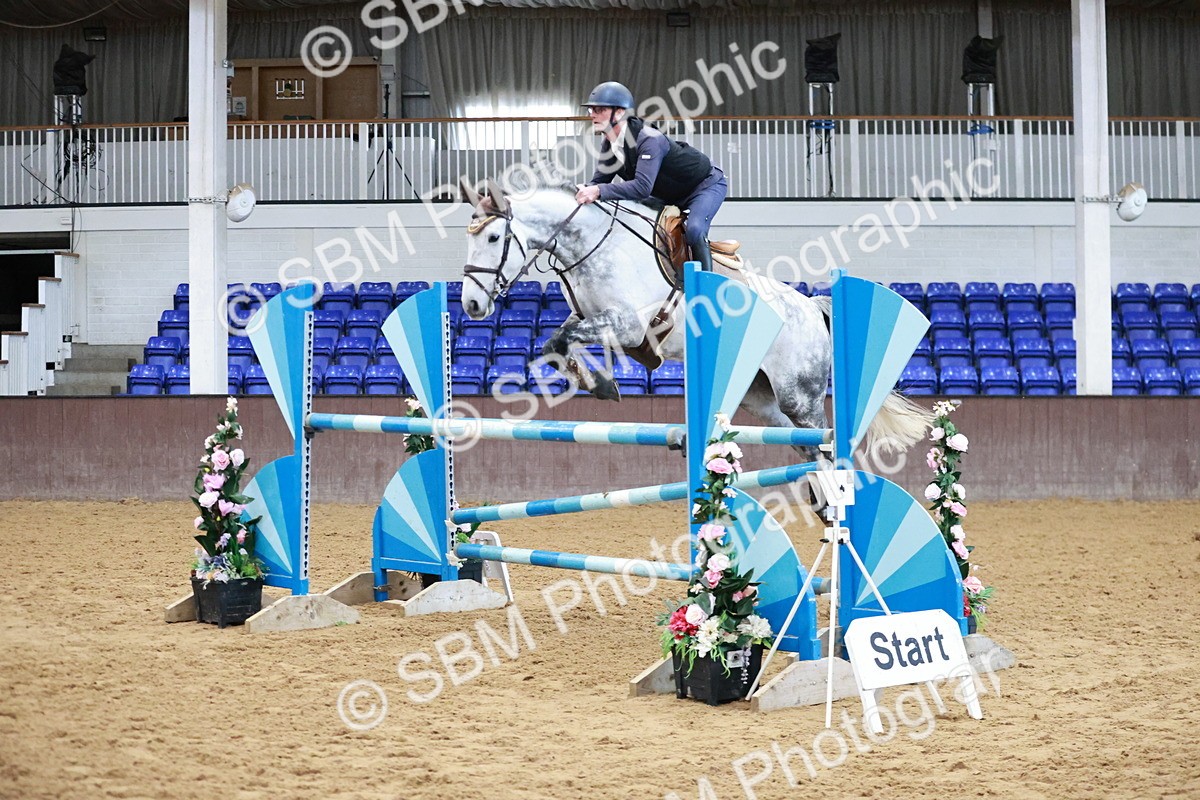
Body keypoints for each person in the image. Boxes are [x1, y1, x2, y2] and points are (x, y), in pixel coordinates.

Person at [574, 81, 727, 273]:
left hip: (704, 185)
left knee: (694, 230)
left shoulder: (649, 139)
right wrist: (580, 192)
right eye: (591, 110)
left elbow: (642, 188)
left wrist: (596, 191)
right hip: (670, 193)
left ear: (620, 112)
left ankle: (706, 286)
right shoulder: (610, 143)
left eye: (600, 109)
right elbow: (599, 183)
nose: (592, 115)